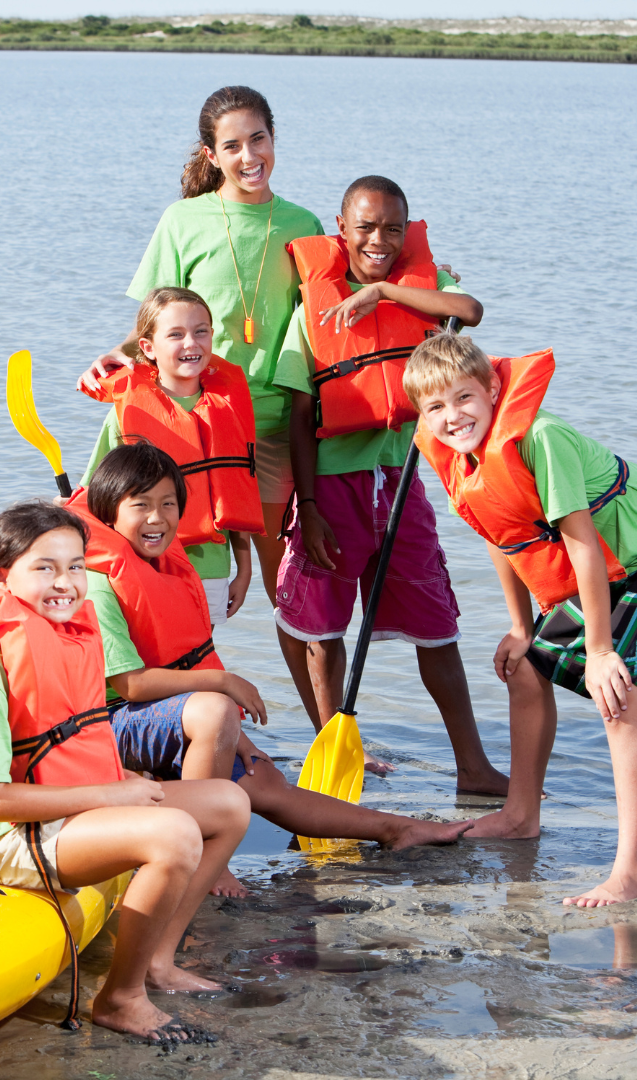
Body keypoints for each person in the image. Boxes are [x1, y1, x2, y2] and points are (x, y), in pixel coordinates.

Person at [0, 502, 250, 1039]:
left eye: (76, 566)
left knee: (228, 803)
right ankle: (120, 998)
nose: (64, 583)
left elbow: (77, 742)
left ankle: (156, 960)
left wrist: (124, 785)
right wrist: (111, 797)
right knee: (175, 834)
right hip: (4, 837)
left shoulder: (70, 639)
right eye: (44, 567)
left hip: (66, 807)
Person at [67, 443, 475, 896]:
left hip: (162, 717)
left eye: (168, 504)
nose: (157, 518)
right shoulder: (98, 586)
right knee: (217, 711)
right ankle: (202, 854)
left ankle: (396, 829)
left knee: (265, 780)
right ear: (107, 512)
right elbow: (131, 684)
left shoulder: (166, 568)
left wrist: (236, 742)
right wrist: (224, 683)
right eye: (139, 506)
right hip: (107, 726)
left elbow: (183, 661)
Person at [404, 333, 637, 907]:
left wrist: (603, 650)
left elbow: (581, 542)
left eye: (464, 398)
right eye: (435, 407)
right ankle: (519, 816)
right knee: (528, 667)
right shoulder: (461, 455)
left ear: (491, 388)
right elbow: (502, 535)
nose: (452, 416)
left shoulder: (541, 436)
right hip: (609, 569)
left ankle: (631, 871)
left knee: (617, 693)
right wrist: (520, 626)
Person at [273, 174, 507, 795]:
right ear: (341, 229)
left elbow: (471, 312)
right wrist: (311, 507)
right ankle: (335, 759)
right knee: (322, 630)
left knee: (437, 622)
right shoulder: (314, 310)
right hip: (333, 485)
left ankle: (473, 765)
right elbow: (300, 417)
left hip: (400, 481)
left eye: (393, 229)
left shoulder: (419, 293)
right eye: (366, 227)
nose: (379, 238)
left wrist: (383, 290)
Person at [77, 85, 322, 607]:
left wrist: (434, 281)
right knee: (177, 571)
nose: (249, 157)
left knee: (288, 592)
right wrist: (120, 351)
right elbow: (151, 322)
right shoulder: (182, 220)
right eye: (232, 146)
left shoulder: (306, 226)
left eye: (258, 140)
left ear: (274, 139)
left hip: (275, 425)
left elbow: (334, 312)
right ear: (212, 155)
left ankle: (306, 693)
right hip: (195, 421)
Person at [79, 286, 262, 624]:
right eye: (175, 335)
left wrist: (245, 569)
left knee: (196, 661)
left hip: (211, 568)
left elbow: (236, 489)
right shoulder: (127, 411)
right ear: (148, 347)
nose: (191, 344)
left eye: (201, 331)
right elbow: (91, 494)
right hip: (143, 565)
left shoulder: (230, 406)